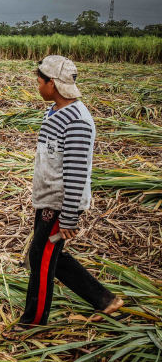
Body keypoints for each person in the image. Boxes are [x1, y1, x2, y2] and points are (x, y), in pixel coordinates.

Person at [17, 56, 122, 328]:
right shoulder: (54, 112)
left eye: (39, 82)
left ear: (52, 83)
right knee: (49, 255)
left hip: (61, 204)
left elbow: (76, 172)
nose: (37, 86)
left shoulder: (77, 121)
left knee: (40, 260)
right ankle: (104, 300)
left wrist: (69, 217)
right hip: (48, 199)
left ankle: (33, 321)